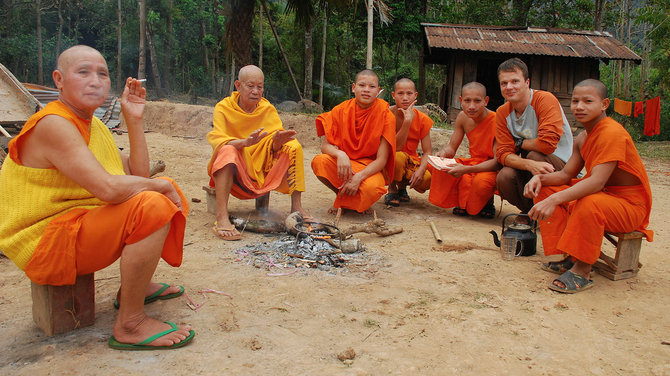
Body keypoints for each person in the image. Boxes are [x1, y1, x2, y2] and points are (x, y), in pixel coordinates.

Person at [0, 45, 194, 350]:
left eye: (102, 74)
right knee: (153, 203)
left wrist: (134, 120)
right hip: (43, 240)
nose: (95, 81)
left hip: (74, 225)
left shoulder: (94, 125)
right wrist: (157, 189)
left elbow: (139, 174)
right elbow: (108, 189)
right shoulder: (54, 124)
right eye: (83, 72)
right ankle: (130, 324)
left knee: (158, 191)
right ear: (58, 80)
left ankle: (135, 288)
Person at [524, 79, 653, 293]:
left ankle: (583, 269)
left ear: (604, 104)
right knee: (547, 190)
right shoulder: (583, 137)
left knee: (588, 201)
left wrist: (555, 200)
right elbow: (566, 175)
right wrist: (539, 178)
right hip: (605, 197)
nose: (579, 106)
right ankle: (566, 256)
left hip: (629, 206)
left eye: (588, 101)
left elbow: (596, 182)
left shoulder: (612, 132)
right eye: (575, 101)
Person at [207, 65, 309, 240]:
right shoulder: (223, 108)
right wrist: (245, 143)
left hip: (262, 169)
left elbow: (271, 147)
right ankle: (222, 218)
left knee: (294, 146)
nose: (256, 91)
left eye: (260, 87)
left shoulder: (266, 109)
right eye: (250, 86)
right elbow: (218, 140)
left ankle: (296, 207)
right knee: (227, 151)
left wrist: (277, 142)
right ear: (238, 86)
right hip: (237, 169)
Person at [495, 58, 573, 216]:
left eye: (515, 81)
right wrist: (529, 164)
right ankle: (529, 213)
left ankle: (553, 211)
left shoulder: (544, 100)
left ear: (527, 82)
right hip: (533, 164)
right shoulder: (502, 113)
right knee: (504, 176)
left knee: (536, 154)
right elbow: (503, 154)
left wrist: (519, 143)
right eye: (504, 83)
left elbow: (547, 145)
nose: (509, 87)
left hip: (562, 165)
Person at [311, 69, 396, 214]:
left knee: (372, 188)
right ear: (353, 87)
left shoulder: (385, 115)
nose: (366, 90)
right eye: (362, 85)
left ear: (378, 91)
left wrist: (359, 177)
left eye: (372, 87)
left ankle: (346, 201)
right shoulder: (341, 110)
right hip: (347, 164)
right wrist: (340, 155)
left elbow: (382, 160)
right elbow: (325, 145)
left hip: (369, 167)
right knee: (319, 162)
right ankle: (342, 195)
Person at [428, 82, 500, 218]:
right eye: (467, 101)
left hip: (489, 167)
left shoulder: (497, 121)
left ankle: (487, 202)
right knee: (438, 167)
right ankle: (461, 202)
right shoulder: (462, 117)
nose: (471, 106)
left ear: (486, 101)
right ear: (460, 100)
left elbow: (497, 162)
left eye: (477, 101)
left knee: (480, 182)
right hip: (473, 162)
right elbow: (451, 148)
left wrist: (466, 169)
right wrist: (442, 154)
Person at [384, 78, 433, 207]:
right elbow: (392, 147)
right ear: (393, 95)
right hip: (389, 159)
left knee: (427, 179)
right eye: (400, 93)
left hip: (411, 160)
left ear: (415, 95)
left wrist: (421, 170)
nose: (405, 98)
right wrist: (407, 122)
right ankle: (392, 188)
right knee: (398, 157)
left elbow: (427, 151)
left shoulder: (423, 119)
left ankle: (402, 188)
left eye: (409, 93)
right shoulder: (386, 115)